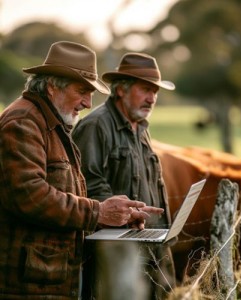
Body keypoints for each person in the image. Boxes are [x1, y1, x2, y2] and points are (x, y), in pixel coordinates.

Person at [0, 41, 164, 300]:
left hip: (46, 277)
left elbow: (66, 194)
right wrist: (100, 211)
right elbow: (28, 195)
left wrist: (117, 216)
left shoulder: (51, 123)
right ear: (53, 85)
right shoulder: (24, 122)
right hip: (29, 284)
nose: (88, 103)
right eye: (82, 91)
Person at [72, 52, 177, 299]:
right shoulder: (96, 126)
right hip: (111, 257)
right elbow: (86, 185)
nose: (152, 98)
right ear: (121, 90)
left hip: (150, 249)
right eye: (145, 90)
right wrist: (126, 215)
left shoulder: (140, 128)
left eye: (155, 92)